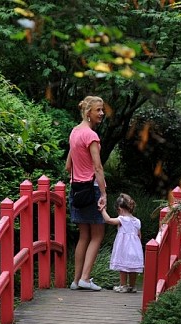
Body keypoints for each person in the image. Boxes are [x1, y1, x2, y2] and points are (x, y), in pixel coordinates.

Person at [67, 96, 107, 291]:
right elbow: (98, 167)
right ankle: (85, 277)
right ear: (88, 113)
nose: (101, 113)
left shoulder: (74, 133)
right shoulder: (91, 136)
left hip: (76, 189)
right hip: (91, 188)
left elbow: (68, 166)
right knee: (98, 234)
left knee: (84, 236)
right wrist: (104, 194)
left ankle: (76, 281)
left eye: (102, 110)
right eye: (98, 110)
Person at [99, 193, 144, 293]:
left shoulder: (122, 219)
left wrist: (102, 210)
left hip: (124, 248)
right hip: (135, 249)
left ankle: (123, 285)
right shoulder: (137, 221)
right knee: (133, 268)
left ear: (120, 209)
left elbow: (109, 220)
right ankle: (132, 286)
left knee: (123, 267)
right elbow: (139, 235)